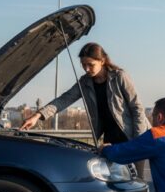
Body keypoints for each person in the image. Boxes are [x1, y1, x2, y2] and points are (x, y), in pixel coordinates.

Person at [20, 42, 150, 178]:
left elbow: (137, 108)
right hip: (110, 141)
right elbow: (64, 100)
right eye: (83, 65)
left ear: (102, 61)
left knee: (136, 181)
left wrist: (137, 141)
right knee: (115, 182)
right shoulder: (85, 82)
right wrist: (37, 115)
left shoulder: (119, 77)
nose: (86, 69)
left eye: (90, 65)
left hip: (133, 137)